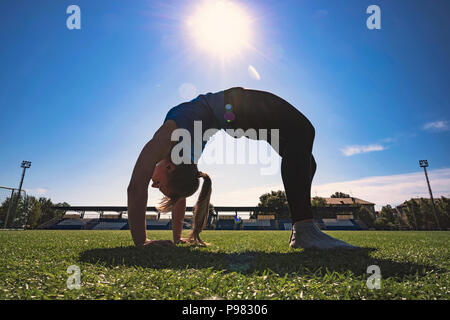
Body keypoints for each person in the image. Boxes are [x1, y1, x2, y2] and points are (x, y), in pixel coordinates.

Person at [127, 87, 357, 249]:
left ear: (169, 168)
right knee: (303, 132)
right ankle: (305, 230)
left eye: (156, 185)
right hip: (234, 109)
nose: (152, 182)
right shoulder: (178, 152)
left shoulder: (170, 143)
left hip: (233, 114)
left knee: (305, 158)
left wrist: (149, 240)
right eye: (158, 185)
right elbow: (158, 189)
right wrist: (146, 242)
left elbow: (137, 187)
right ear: (170, 168)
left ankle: (304, 229)